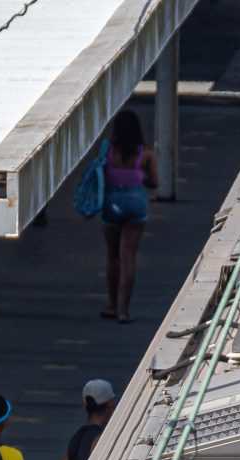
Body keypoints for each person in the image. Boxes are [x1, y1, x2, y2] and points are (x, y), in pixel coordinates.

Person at [98, 110, 159, 324]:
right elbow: (154, 182)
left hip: (112, 203)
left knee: (112, 256)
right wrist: (138, 177)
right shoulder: (146, 154)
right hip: (135, 204)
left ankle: (111, 305)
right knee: (129, 257)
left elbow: (100, 176)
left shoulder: (108, 152)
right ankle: (124, 311)